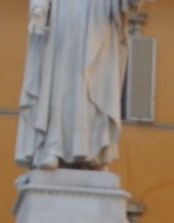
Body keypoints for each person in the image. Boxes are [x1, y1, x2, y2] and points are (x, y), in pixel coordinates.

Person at [15, 0, 141, 170]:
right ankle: (54, 147)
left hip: (99, 17)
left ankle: (95, 152)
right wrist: (39, 8)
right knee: (61, 84)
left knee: (93, 89)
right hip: (65, 16)